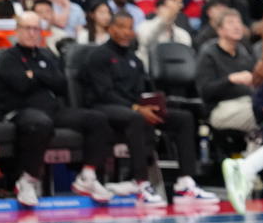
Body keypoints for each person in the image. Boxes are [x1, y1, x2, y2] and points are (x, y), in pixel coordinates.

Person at [78, 11, 216, 205]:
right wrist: (136, 108)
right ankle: (140, 182)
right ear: (111, 29)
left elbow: (142, 91)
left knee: (183, 118)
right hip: (104, 107)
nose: (127, 32)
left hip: (134, 108)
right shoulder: (98, 56)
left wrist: (152, 105)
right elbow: (104, 93)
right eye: (121, 27)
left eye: (130, 27)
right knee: (136, 117)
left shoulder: (135, 60)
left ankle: (185, 182)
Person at [0, 11, 116, 207]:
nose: (32, 33)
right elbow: (21, 85)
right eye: (27, 28)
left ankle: (87, 176)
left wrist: (35, 75)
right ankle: (27, 180)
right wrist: (43, 77)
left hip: (53, 111)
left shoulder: (47, 54)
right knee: (41, 123)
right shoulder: (7, 57)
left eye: (36, 29)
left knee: (97, 119)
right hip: (21, 111)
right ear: (17, 30)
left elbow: (61, 85)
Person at [201, 9, 263, 206]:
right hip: (223, 107)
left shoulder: (244, 52)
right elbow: (205, 91)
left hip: (250, 103)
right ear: (219, 30)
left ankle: (248, 168)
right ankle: (250, 170)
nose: (237, 26)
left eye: (238, 22)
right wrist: (230, 79)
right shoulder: (209, 53)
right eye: (230, 23)